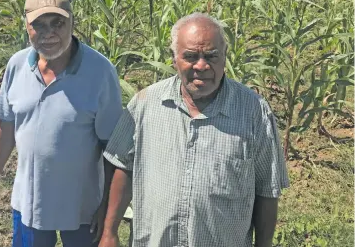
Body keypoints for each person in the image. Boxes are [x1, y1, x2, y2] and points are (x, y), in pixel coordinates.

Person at [99, 13, 290, 247]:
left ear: (224, 56)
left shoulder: (254, 111)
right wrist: (109, 231)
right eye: (190, 56)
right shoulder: (146, 103)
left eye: (211, 56)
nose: (201, 65)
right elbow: (122, 165)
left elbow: (267, 189)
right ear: (174, 58)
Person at [0, 0, 122, 247]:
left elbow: (113, 148)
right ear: (26, 27)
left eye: (58, 23)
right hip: (29, 204)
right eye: (39, 25)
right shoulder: (17, 65)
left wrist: (106, 211)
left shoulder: (100, 72)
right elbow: (6, 126)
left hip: (82, 208)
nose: (49, 34)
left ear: (72, 23)